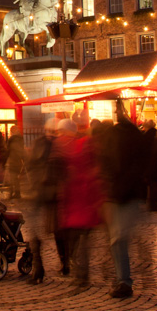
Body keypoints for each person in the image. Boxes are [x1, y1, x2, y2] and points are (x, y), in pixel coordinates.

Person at [98, 101, 147, 298]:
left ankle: (124, 280)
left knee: (118, 238)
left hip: (117, 193)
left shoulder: (113, 136)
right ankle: (125, 278)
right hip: (131, 192)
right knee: (120, 238)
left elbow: (106, 163)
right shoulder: (137, 135)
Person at [53, 119, 103, 288]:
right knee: (81, 240)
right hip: (82, 202)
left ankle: (79, 272)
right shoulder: (83, 146)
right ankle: (81, 272)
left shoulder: (67, 147)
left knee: (76, 241)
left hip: (76, 202)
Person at [19, 119, 61, 284]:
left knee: (36, 229)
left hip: (39, 191)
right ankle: (62, 262)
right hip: (53, 191)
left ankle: (38, 265)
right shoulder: (60, 146)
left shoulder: (38, 143)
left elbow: (30, 165)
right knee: (55, 228)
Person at [5, 125, 26, 199]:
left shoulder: (11, 139)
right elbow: (22, 150)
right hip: (18, 161)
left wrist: (5, 159)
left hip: (12, 160)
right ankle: (17, 193)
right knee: (16, 178)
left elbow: (7, 150)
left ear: (12, 131)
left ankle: (12, 193)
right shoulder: (20, 138)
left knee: (12, 178)